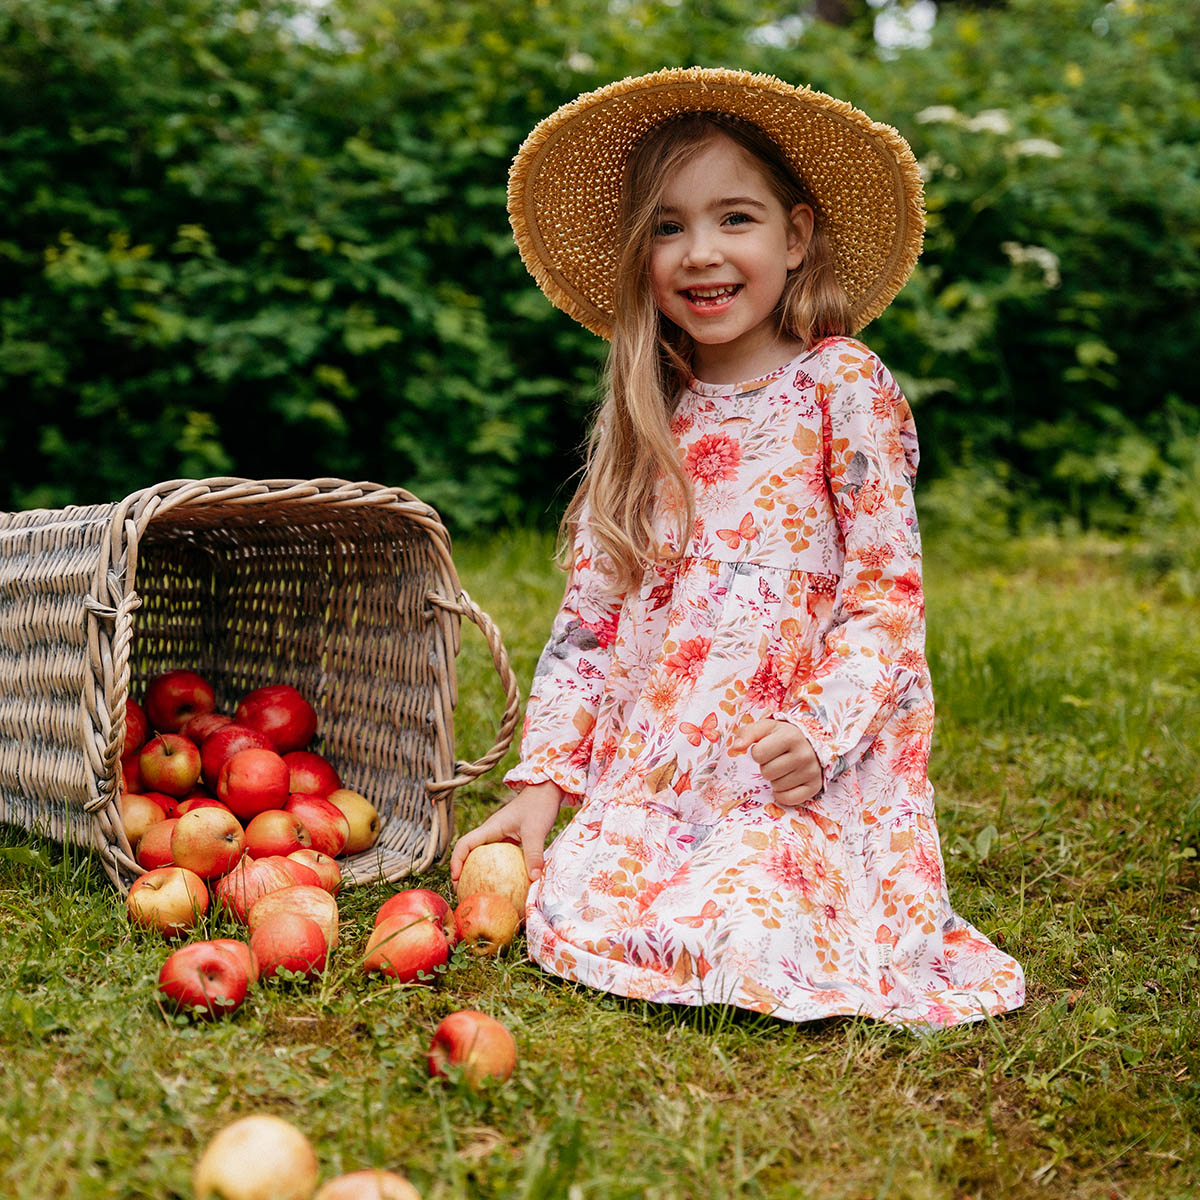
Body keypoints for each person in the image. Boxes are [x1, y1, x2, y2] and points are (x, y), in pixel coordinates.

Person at [451, 67, 1025, 1029]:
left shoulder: (843, 385)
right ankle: (634, 843)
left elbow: (887, 594)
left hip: (794, 762)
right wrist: (546, 784)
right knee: (587, 898)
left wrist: (821, 729)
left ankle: (787, 876)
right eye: (668, 227)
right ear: (642, 256)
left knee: (753, 924)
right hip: (669, 766)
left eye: (735, 219)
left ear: (796, 236)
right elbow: (592, 621)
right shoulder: (650, 411)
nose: (700, 253)